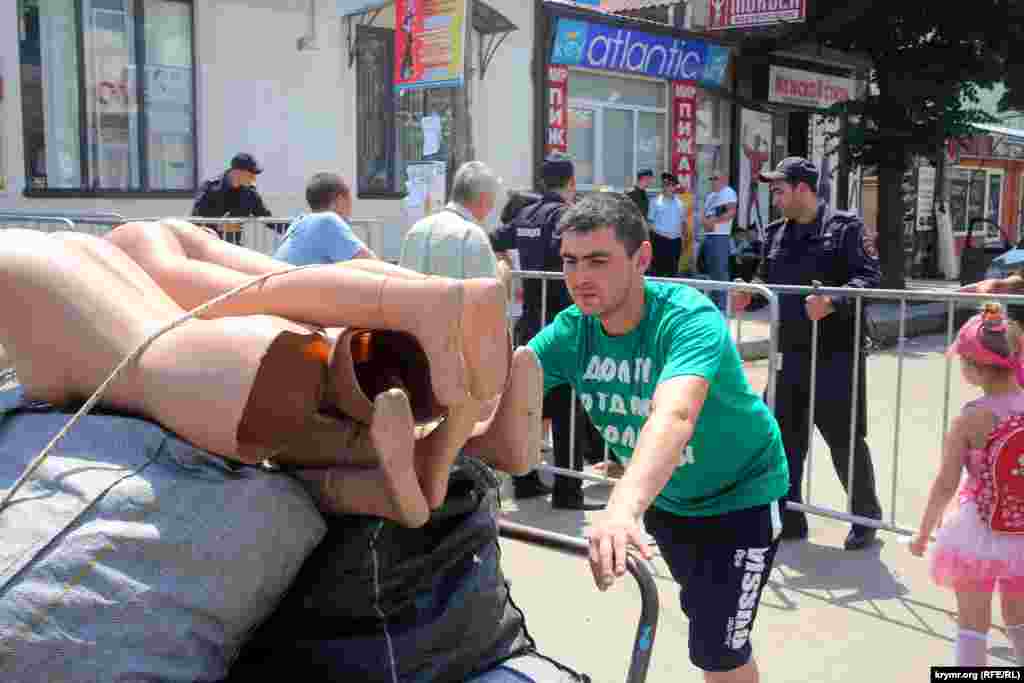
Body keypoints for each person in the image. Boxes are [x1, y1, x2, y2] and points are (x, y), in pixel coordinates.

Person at [0, 221, 538, 526]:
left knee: (278, 428)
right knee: (286, 287)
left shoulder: (71, 261)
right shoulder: (101, 252)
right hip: (270, 351)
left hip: (223, 371)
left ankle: (430, 331)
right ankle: (467, 432)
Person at [527, 192, 789, 682]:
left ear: (641, 258)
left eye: (598, 261)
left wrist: (622, 509)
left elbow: (674, 415)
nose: (580, 277)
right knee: (707, 621)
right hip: (672, 500)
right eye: (570, 261)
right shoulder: (571, 330)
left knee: (719, 649)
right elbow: (505, 385)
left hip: (743, 498)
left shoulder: (687, 318)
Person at [732, 157, 884, 550]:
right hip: (789, 354)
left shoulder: (845, 228)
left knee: (843, 439)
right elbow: (766, 280)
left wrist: (833, 301)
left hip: (835, 355)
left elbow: (869, 278)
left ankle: (865, 518)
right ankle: (789, 516)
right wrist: (749, 296)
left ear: (803, 188)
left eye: (780, 188)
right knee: (782, 440)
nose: (775, 196)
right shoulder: (774, 233)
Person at [909, 303, 1024, 667]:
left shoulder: (971, 418)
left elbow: (945, 484)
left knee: (972, 626)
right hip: (1021, 528)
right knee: (1019, 619)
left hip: (978, 528)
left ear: (974, 368)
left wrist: (923, 533)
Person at [492, 155, 605, 510]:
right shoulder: (563, 216)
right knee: (566, 403)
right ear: (570, 183)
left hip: (530, 320)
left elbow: (496, 237)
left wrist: (508, 267)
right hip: (562, 321)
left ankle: (524, 480)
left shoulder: (525, 214)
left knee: (527, 401)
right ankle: (568, 490)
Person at [273, 172, 376, 265]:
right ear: (340, 201)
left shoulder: (297, 223)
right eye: (349, 199)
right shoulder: (328, 221)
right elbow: (371, 264)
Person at [192, 152, 276, 244]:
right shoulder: (209, 188)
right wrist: (218, 226)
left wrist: (292, 231)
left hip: (233, 249)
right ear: (237, 172)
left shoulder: (250, 194)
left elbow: (267, 218)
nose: (254, 179)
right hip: (209, 246)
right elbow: (195, 219)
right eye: (251, 175)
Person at [701, 170, 738, 311]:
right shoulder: (710, 196)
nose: (713, 181)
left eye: (716, 178)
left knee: (721, 271)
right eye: (711, 178)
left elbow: (731, 212)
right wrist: (706, 223)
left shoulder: (728, 192)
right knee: (712, 270)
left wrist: (714, 222)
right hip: (709, 235)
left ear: (724, 179)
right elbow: (705, 215)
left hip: (721, 235)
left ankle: (723, 304)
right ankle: (715, 302)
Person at [647, 172, 686, 278]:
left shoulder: (680, 204)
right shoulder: (655, 202)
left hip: (675, 242)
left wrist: (682, 240)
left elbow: (683, 223)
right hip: (660, 241)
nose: (667, 187)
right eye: (665, 184)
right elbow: (650, 223)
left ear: (674, 187)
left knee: (673, 273)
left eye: (670, 185)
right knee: (657, 273)